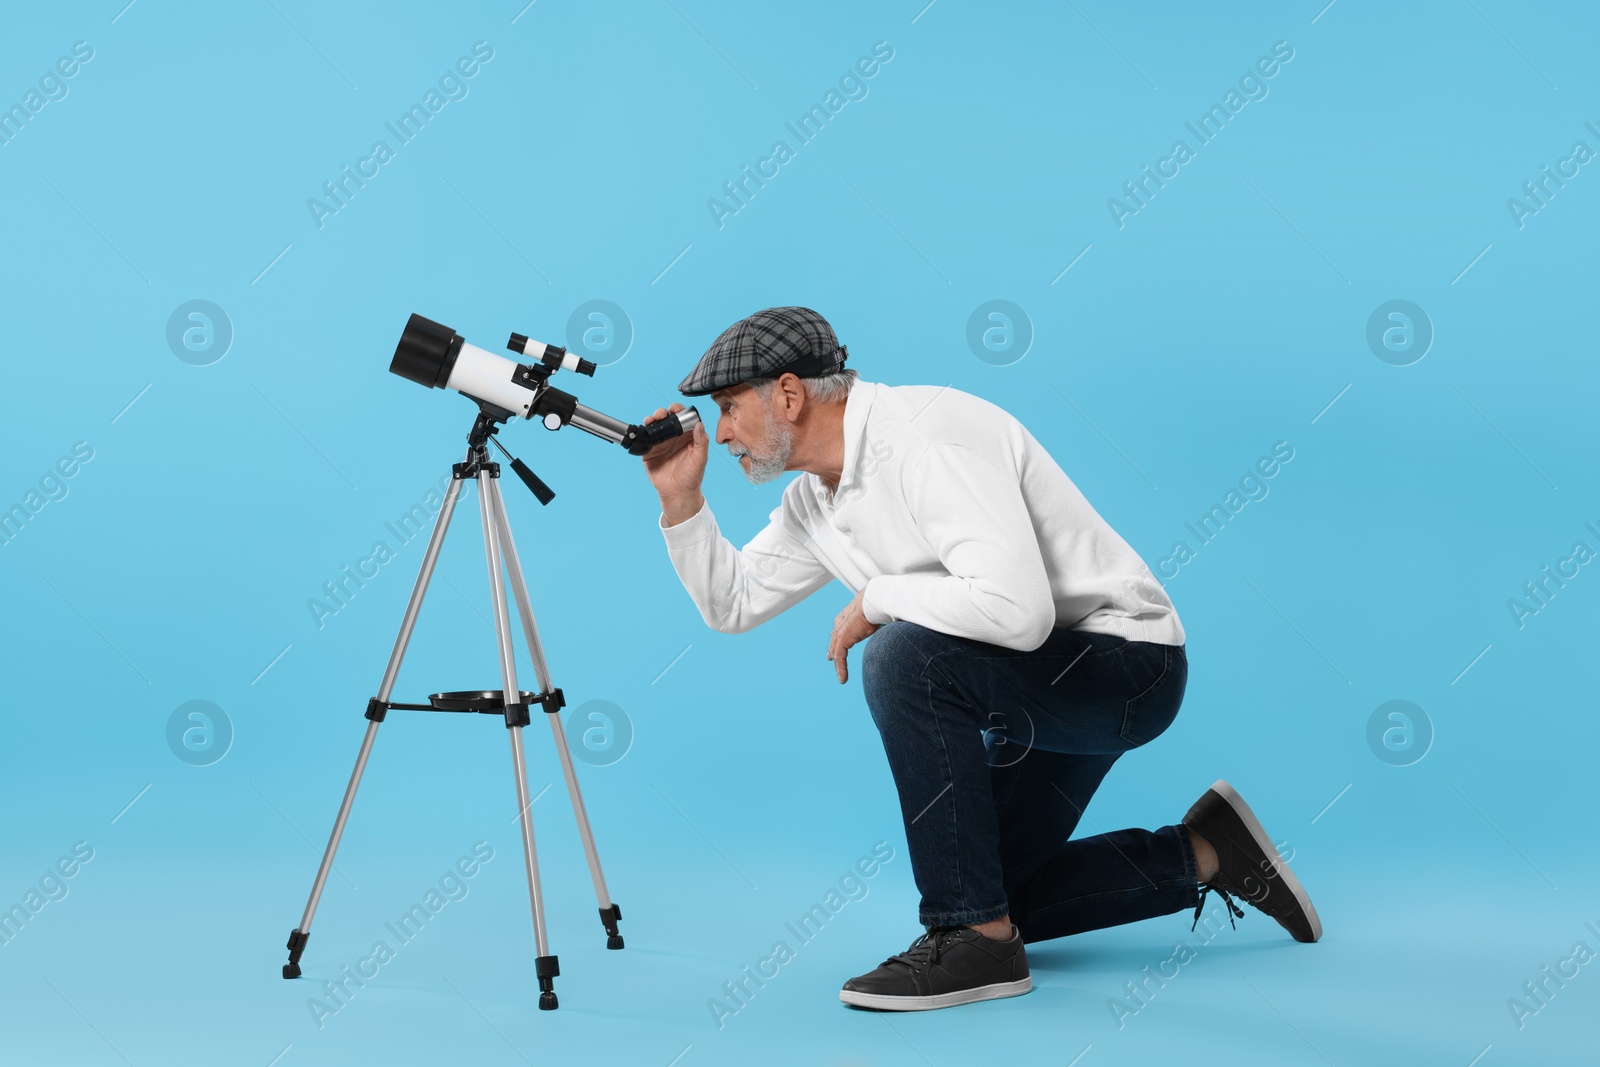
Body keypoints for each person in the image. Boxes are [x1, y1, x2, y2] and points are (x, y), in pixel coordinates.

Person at [640, 306, 1321, 1013]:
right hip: (1035, 683)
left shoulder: (925, 436)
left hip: (1125, 668)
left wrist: (878, 597)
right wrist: (682, 501)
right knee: (994, 884)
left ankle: (974, 943)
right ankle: (1209, 850)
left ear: (787, 395)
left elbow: (1018, 613)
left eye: (726, 408)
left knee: (902, 657)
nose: (718, 433)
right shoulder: (815, 499)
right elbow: (734, 603)